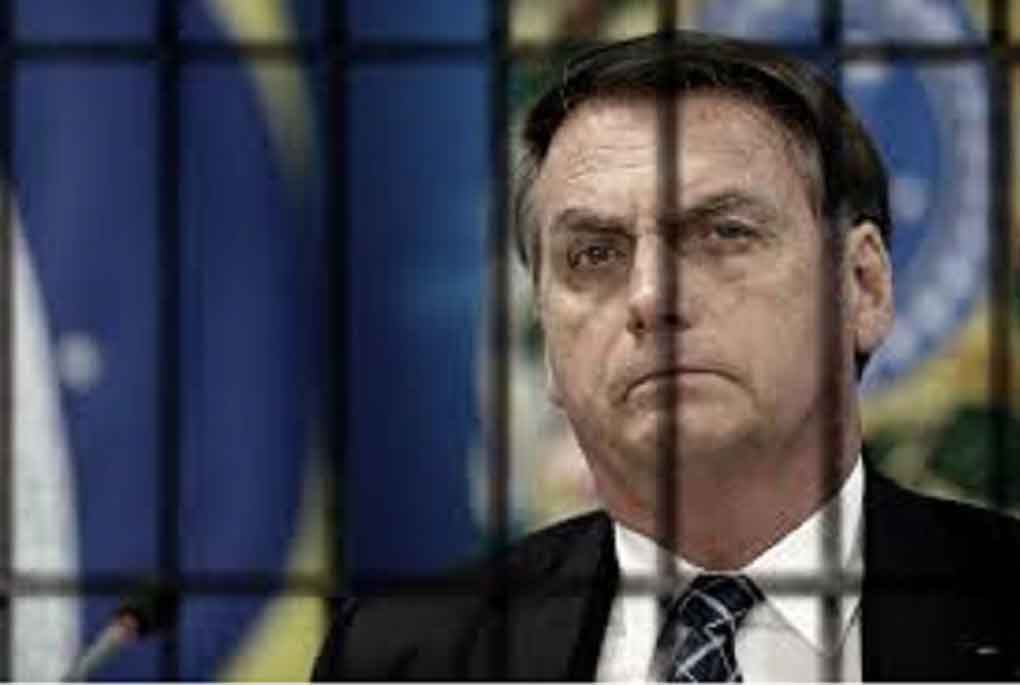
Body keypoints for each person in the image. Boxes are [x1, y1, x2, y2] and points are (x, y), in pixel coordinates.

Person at [312, 30, 1020, 681]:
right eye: (594, 254)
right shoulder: (401, 660)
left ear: (863, 286)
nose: (651, 296)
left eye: (725, 234)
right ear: (547, 338)